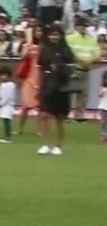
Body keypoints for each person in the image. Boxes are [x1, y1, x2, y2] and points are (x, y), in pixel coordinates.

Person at [37, 24, 76, 155]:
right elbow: (40, 69)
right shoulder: (44, 50)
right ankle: (45, 144)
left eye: (56, 34)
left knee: (59, 117)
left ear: (61, 36)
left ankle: (59, 145)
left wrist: (59, 69)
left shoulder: (66, 50)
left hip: (61, 86)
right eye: (51, 34)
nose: (54, 37)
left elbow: (71, 69)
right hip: (47, 86)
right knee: (44, 115)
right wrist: (40, 85)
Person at [0, 66, 17, 144]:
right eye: (1, 75)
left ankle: (7, 137)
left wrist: (1, 103)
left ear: (9, 75)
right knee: (4, 120)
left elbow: (8, 97)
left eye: (4, 75)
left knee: (7, 121)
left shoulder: (11, 85)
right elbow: (0, 94)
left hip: (8, 106)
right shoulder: (2, 84)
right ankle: (6, 135)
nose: (2, 77)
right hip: (3, 105)